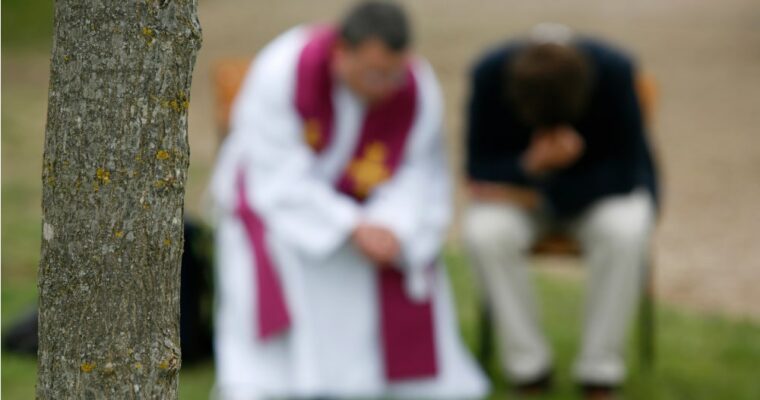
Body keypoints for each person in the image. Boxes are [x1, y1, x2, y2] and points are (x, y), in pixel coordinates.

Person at [208, 2, 488, 399]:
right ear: (342, 54)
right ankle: (278, 382)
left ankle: (374, 383)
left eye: (392, 73)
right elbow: (273, 170)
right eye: (373, 73)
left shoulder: (415, 86)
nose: (384, 85)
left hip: (375, 214)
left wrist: (391, 224)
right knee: (289, 257)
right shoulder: (283, 69)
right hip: (281, 210)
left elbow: (420, 171)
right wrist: (349, 225)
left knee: (408, 265)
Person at [463, 24, 659, 399]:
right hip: (523, 196)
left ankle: (600, 373)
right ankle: (528, 368)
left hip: (597, 198)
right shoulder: (489, 73)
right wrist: (528, 166)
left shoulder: (615, 70)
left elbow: (629, 170)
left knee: (628, 229)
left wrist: (547, 193)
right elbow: (476, 167)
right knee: (484, 232)